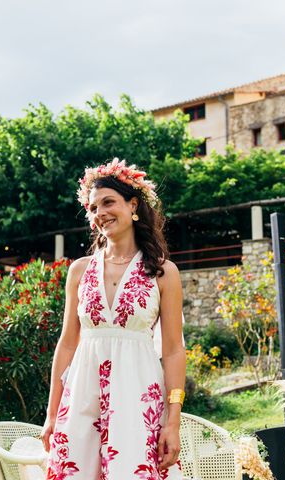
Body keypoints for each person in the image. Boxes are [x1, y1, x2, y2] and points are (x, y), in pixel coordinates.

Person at [42, 159, 186, 479]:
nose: (100, 213)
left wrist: (172, 422)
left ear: (133, 205)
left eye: (108, 202)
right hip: (82, 396)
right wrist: (52, 414)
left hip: (138, 400)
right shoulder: (79, 271)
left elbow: (175, 350)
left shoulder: (163, 273)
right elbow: (67, 345)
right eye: (93, 207)